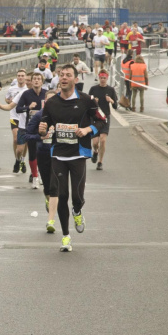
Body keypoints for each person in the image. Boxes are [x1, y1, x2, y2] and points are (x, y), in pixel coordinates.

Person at [38, 64, 105, 252]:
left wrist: (87, 130)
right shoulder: (51, 103)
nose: (64, 77)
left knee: (77, 196)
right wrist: (42, 129)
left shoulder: (87, 100)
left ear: (76, 79)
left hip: (78, 153)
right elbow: (45, 123)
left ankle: (77, 210)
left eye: (68, 75)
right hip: (58, 154)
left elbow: (102, 120)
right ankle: (66, 236)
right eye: (62, 75)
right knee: (62, 195)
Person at [24, 89, 58, 232]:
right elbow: (26, 135)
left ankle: (51, 219)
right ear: (44, 102)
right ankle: (47, 197)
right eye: (48, 101)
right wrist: (40, 137)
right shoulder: (38, 116)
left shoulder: (61, 115)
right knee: (48, 186)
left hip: (58, 154)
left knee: (56, 185)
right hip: (43, 154)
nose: (50, 104)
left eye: (53, 101)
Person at [88, 69, 117, 169]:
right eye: (101, 78)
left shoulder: (111, 90)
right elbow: (88, 103)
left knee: (103, 140)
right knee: (95, 142)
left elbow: (116, 106)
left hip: (105, 117)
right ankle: (95, 151)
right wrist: (93, 101)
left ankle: (100, 162)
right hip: (95, 118)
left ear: (107, 78)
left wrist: (111, 101)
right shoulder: (93, 89)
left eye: (104, 78)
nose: (103, 80)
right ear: (99, 78)